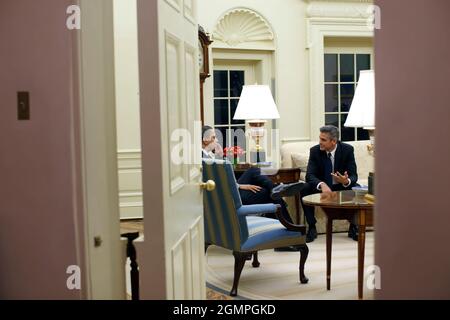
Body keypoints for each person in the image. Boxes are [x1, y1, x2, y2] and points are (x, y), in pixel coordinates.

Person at [202, 125, 303, 251]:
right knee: (269, 194)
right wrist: (239, 185)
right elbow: (217, 183)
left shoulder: (205, 156)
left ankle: (275, 190)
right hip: (230, 197)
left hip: (231, 190)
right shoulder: (206, 159)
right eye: (214, 137)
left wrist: (238, 184)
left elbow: (219, 180)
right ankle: (277, 191)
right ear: (206, 140)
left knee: (254, 171)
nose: (217, 140)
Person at [300, 125, 359, 243]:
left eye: (323, 140)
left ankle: (354, 226)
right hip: (322, 188)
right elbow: (309, 175)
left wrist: (346, 181)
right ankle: (312, 227)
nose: (320, 142)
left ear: (333, 141)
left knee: (356, 188)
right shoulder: (315, 151)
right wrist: (321, 184)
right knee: (304, 188)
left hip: (340, 186)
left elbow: (354, 175)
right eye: (319, 138)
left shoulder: (347, 150)